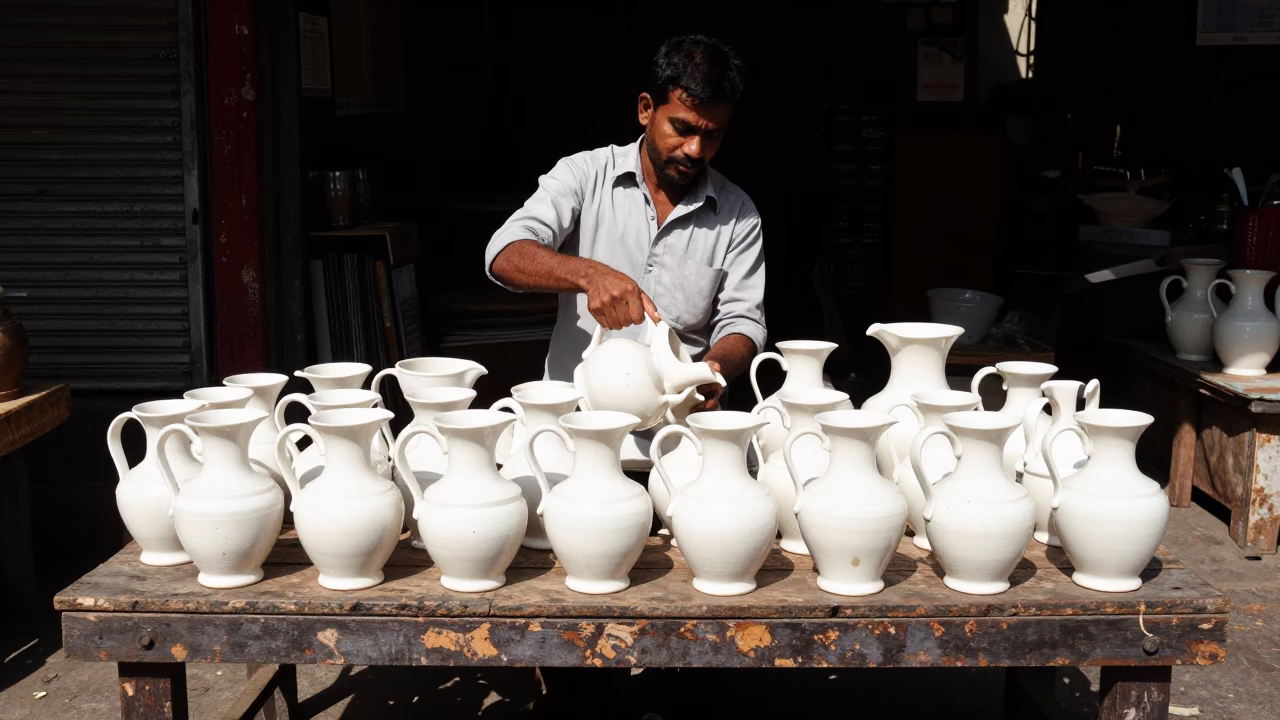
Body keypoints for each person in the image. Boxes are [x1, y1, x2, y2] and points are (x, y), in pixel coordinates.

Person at [484, 35, 765, 413]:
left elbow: (743, 323)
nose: (696, 150)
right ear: (646, 110)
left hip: (677, 431)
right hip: (574, 428)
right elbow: (504, 254)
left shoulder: (738, 215)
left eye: (711, 135)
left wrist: (711, 372)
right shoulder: (583, 175)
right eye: (682, 129)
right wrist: (590, 275)